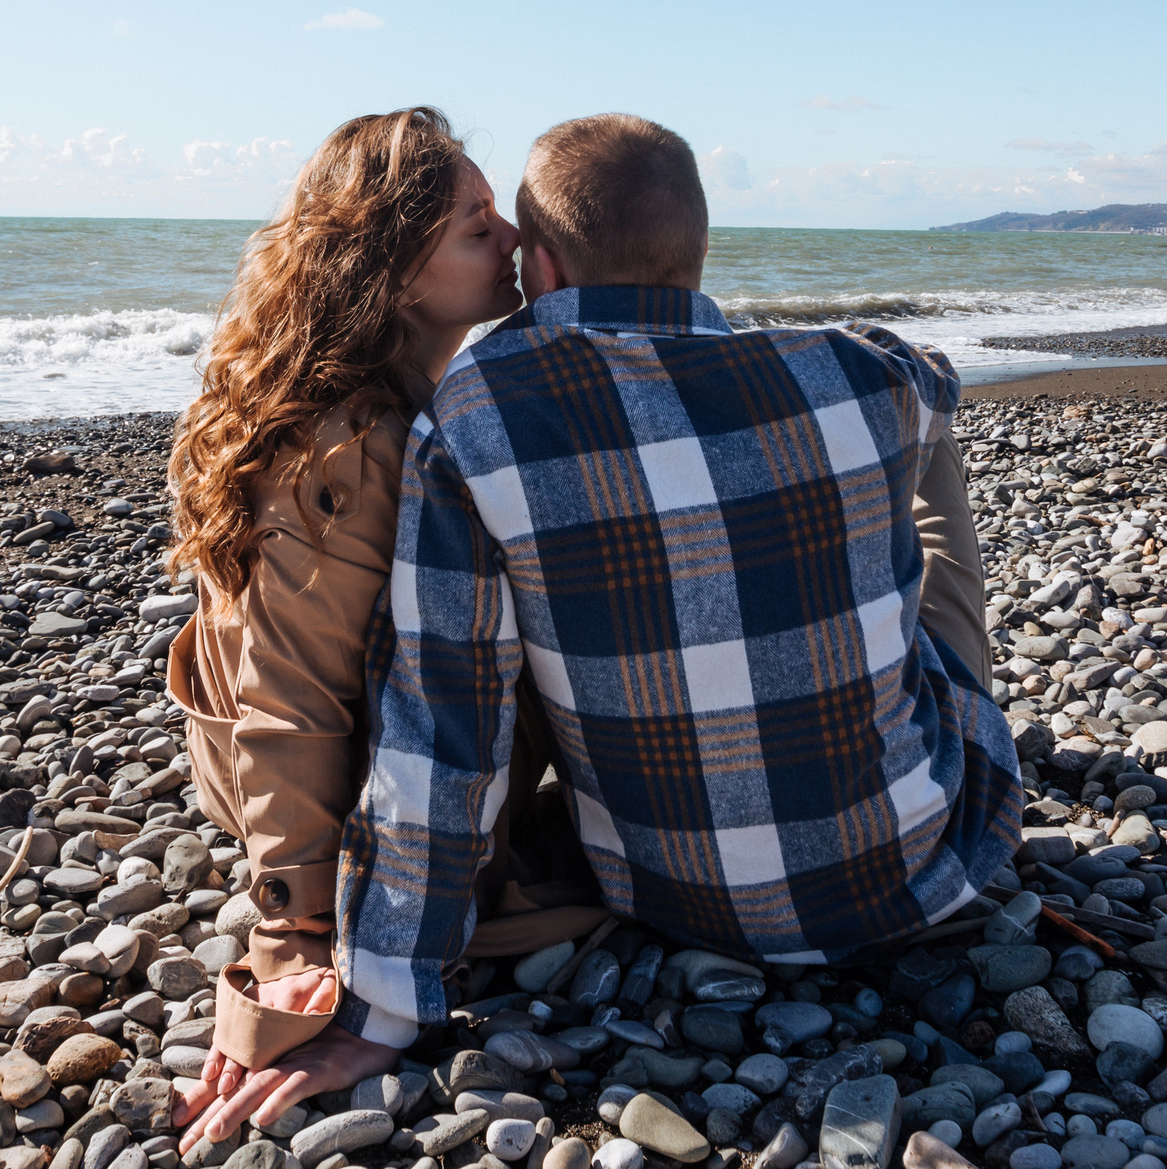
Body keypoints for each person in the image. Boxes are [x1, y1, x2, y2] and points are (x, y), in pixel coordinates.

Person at [324, 113, 1023, 1057]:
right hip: (920, 869)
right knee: (919, 470)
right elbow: (929, 375)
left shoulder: (474, 415)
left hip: (675, 895)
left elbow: (443, 724)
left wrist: (384, 1004)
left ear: (549, 271)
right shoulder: (854, 374)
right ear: (694, 251)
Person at [161, 107, 606, 1135]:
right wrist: (298, 930)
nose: (509, 237)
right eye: (475, 224)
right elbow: (289, 694)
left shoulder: (409, 397)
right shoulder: (347, 446)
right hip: (315, 775)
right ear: (399, 274)